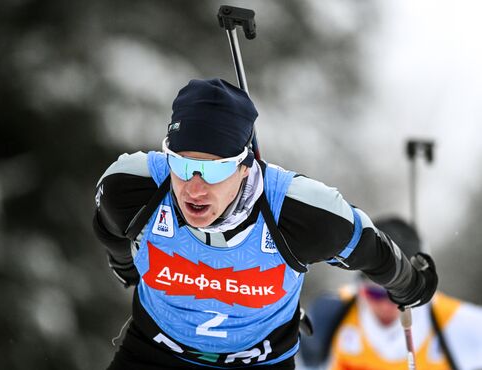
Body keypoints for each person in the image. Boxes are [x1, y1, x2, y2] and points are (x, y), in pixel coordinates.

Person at [92, 78, 438, 370]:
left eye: (214, 169)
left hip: (261, 361)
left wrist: (410, 284)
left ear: (245, 165)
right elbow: (111, 231)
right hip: (153, 354)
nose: (194, 187)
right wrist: (126, 266)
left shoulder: (301, 213)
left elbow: (372, 251)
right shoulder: (133, 188)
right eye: (181, 165)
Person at [298, 216, 482, 370]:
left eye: (399, 295)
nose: (387, 304)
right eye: (375, 294)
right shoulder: (330, 314)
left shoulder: (454, 322)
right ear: (360, 288)